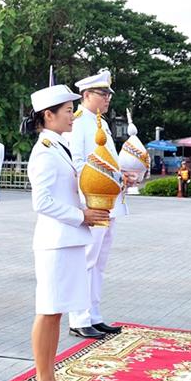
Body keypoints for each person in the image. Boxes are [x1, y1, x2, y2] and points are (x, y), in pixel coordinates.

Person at [23, 84, 109, 381]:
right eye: (67, 111)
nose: (72, 116)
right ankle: (44, 379)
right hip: (55, 242)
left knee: (55, 312)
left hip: (67, 241)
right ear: (49, 115)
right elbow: (41, 202)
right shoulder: (44, 152)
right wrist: (81, 216)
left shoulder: (60, 146)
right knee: (48, 311)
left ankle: (47, 377)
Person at [66, 70, 131, 339]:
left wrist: (120, 176)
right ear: (86, 95)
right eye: (102, 94)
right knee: (87, 260)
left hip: (109, 200)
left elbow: (108, 162)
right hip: (92, 200)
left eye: (108, 94)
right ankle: (78, 317)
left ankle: (93, 314)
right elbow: (78, 163)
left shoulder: (101, 123)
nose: (107, 99)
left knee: (100, 261)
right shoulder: (79, 122)